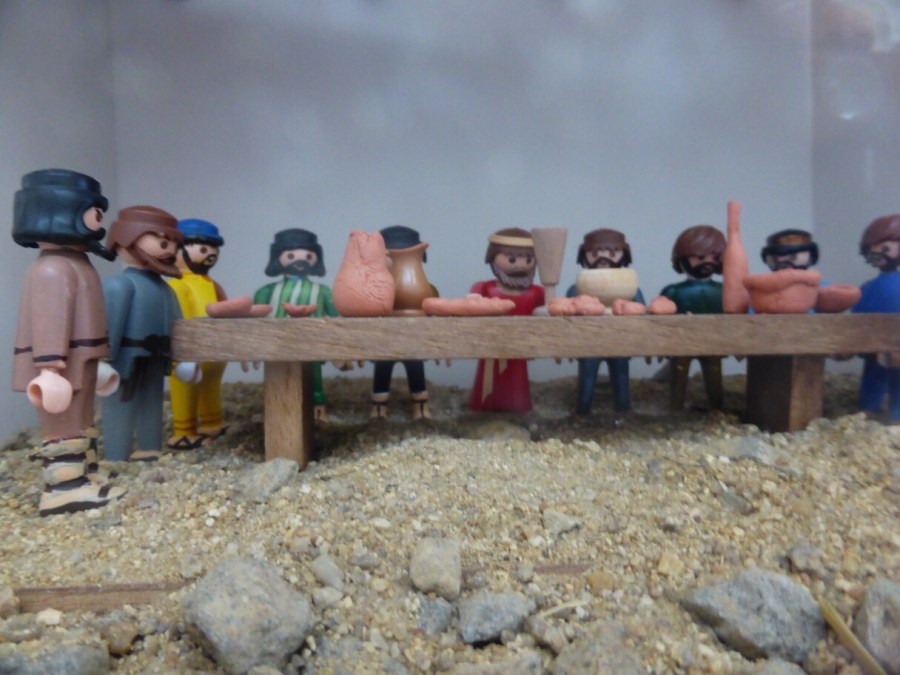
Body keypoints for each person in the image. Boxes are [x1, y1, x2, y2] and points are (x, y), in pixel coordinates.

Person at [12, 168, 125, 515]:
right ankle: (63, 487)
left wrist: (97, 360)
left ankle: (84, 476)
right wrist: (49, 369)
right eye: (96, 212)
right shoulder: (52, 269)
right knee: (64, 426)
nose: (100, 222)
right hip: (60, 366)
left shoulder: (76, 264)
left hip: (82, 360)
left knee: (83, 421)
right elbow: (49, 323)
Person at [102, 205, 195, 462]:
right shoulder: (120, 285)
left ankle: (149, 446)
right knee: (121, 403)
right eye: (162, 242)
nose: (169, 250)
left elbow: (179, 327)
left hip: (156, 357)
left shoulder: (167, 290)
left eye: (173, 244)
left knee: (152, 403)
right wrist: (102, 360)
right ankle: (116, 454)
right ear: (126, 239)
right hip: (124, 359)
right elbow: (108, 324)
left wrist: (183, 358)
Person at [253, 229, 338, 420]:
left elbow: (337, 321)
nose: (300, 261)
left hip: (314, 345)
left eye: (308, 256)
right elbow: (254, 323)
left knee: (314, 374)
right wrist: (252, 348)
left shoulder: (323, 292)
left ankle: (318, 406)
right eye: (290, 255)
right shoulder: (266, 292)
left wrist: (341, 350)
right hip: (276, 347)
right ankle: (278, 410)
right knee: (278, 377)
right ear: (277, 257)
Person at [567, 229, 644, 414]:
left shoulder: (630, 288)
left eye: (612, 252)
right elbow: (569, 315)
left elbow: (641, 311)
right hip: (588, 343)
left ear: (624, 254)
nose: (604, 257)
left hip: (620, 342)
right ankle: (583, 413)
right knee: (587, 378)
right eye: (595, 253)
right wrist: (568, 344)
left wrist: (642, 342)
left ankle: (623, 411)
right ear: (584, 255)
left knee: (621, 377)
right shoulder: (578, 288)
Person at [167, 219, 228, 449]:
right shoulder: (178, 285)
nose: (210, 253)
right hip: (189, 352)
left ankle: (212, 422)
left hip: (215, 350)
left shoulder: (213, 285)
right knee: (186, 387)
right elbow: (178, 320)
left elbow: (226, 313)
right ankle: (184, 430)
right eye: (203, 249)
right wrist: (183, 351)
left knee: (211, 385)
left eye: (213, 248)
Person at [469, 228, 544, 412]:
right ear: (492, 257)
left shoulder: (537, 293)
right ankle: (484, 408)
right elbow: (471, 311)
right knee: (487, 383)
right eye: (511, 259)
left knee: (516, 382)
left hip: (520, 348)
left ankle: (516, 409)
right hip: (491, 348)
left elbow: (546, 317)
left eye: (528, 259)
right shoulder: (484, 289)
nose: (520, 266)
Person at [370, 225, 438, 420]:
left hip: (414, 341)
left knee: (416, 369)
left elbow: (436, 317)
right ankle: (379, 409)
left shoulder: (428, 291)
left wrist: (439, 346)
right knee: (382, 371)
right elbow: (365, 317)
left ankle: (421, 407)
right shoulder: (372, 292)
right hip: (384, 342)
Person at [660, 225, 726, 410]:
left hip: (713, 343)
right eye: (700, 257)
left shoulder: (724, 291)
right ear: (682, 258)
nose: (708, 262)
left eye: (714, 257)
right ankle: (675, 407)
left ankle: (717, 408)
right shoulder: (673, 291)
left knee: (714, 375)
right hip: (681, 343)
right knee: (678, 375)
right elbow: (662, 320)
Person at [853, 215, 900, 422]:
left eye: (885, 247)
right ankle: (868, 410)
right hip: (873, 345)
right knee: (873, 378)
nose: (877, 254)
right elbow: (858, 314)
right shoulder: (868, 288)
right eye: (872, 250)